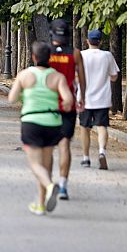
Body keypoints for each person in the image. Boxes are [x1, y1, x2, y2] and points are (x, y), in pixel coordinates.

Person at [8, 41, 74, 216]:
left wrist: (24, 93)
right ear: (49, 58)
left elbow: (12, 98)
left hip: (32, 122)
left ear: (34, 57)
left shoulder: (24, 75)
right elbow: (68, 100)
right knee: (46, 164)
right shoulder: (57, 77)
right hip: (52, 123)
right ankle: (41, 203)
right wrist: (65, 106)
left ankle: (50, 186)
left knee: (35, 164)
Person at [47, 19, 86, 200]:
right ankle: (62, 185)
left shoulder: (45, 52)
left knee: (47, 147)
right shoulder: (75, 53)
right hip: (67, 104)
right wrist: (82, 98)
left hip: (47, 104)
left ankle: (48, 184)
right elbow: (82, 79)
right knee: (64, 145)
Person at [79, 29, 119, 170]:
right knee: (102, 126)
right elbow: (114, 76)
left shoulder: (81, 56)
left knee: (85, 128)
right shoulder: (107, 56)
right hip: (102, 98)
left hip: (84, 98)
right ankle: (102, 151)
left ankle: (86, 157)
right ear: (100, 41)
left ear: (87, 41)